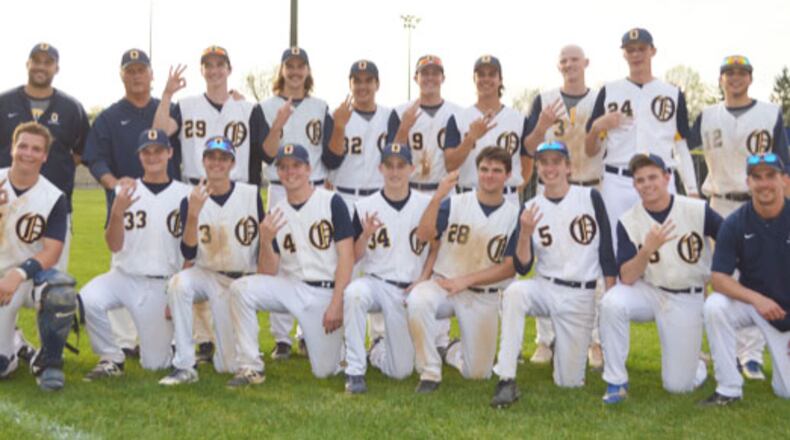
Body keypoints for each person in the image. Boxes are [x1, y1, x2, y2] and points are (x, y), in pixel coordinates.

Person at [490, 141, 616, 408]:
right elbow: (523, 266)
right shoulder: (530, 207)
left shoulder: (589, 197)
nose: (550, 168)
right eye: (544, 162)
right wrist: (525, 233)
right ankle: (506, 378)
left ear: (568, 167)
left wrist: (611, 292)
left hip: (580, 294)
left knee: (569, 382)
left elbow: (606, 250)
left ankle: (563, 346)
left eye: (556, 162)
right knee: (515, 292)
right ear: (537, 168)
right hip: (545, 287)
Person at [689, 55, 790, 381]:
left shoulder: (769, 113)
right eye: (729, 73)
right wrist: (689, 189)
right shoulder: (707, 116)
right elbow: (676, 146)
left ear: (750, 78)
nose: (735, 78)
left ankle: (751, 356)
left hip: (761, 203)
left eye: (741, 73)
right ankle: (725, 352)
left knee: (759, 278)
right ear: (720, 79)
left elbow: (784, 165)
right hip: (719, 202)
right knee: (720, 277)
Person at [81, 48, 181, 358]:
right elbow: (95, 158)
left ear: (152, 74)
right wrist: (114, 184)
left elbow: (167, 132)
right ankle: (123, 342)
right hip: (128, 202)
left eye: (141, 70)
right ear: (122, 76)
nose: (136, 76)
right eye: (130, 70)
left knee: (171, 264)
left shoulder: (169, 108)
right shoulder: (109, 117)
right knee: (123, 263)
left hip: (165, 202)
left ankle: (174, 334)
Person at [226, 143, 353, 386]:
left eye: (296, 165)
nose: (290, 172)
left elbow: (347, 257)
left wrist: (337, 304)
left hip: (325, 293)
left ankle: (344, 349)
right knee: (241, 288)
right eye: (283, 167)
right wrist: (266, 240)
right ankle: (250, 366)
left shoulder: (332, 202)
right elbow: (266, 273)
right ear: (277, 173)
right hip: (292, 288)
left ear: (308, 169)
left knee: (326, 371)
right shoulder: (275, 212)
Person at [599, 154, 720, 404]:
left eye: (652, 177)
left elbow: (729, 239)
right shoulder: (628, 221)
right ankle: (616, 382)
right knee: (612, 302)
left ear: (667, 178)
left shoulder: (696, 209)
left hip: (686, 296)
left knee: (678, 387)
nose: (647, 184)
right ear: (634, 185)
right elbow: (627, 277)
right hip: (649, 290)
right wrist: (646, 250)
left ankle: (696, 364)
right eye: (640, 180)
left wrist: (718, 274)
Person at [407, 146, 520, 393]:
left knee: (478, 374)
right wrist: (437, 198)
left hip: (483, 294)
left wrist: (466, 281)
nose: (489, 175)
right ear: (477, 172)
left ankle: (452, 349)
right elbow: (424, 235)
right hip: (444, 284)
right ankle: (429, 372)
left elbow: (509, 269)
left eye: (497, 170)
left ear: (508, 175)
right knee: (418, 299)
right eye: (484, 169)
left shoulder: (515, 216)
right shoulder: (455, 203)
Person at [80, 129, 190, 380]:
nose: (152, 157)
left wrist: (177, 293)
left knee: (155, 365)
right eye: (146, 152)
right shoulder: (125, 190)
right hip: (123, 276)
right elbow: (113, 245)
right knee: (88, 299)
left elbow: (192, 249)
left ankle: (174, 343)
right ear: (139, 156)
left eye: (158, 151)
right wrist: (117, 212)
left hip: (161, 283)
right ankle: (111, 357)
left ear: (170, 153)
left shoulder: (185, 193)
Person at [522, 44, 604, 366]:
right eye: (564, 61)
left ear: (586, 63)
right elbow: (529, 147)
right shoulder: (543, 100)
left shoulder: (600, 98)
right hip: (551, 188)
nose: (569, 65)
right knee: (546, 260)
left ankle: (595, 341)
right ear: (559, 66)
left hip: (590, 186)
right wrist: (541, 125)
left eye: (574, 60)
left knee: (592, 266)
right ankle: (545, 341)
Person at [159, 136, 263, 386]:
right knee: (178, 284)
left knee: (227, 366)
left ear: (232, 163)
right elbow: (189, 251)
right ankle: (184, 365)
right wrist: (193, 214)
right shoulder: (192, 198)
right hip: (206, 274)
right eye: (211, 158)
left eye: (223, 158)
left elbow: (261, 246)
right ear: (203, 161)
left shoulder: (250, 195)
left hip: (238, 281)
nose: (217, 163)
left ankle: (234, 352)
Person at [259, 47, 342, 360]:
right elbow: (266, 154)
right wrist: (278, 124)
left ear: (307, 71)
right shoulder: (265, 107)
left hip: (315, 189)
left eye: (300, 66)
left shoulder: (321, 107)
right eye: (289, 66)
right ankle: (282, 338)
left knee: (318, 258)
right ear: (281, 71)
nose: (295, 71)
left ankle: (307, 333)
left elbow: (332, 156)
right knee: (282, 261)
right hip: (280, 188)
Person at [585, 28, 699, 248]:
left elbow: (681, 146)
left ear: (652, 51)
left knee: (666, 247)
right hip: (618, 180)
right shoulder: (609, 91)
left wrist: (692, 190)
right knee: (616, 246)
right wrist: (597, 127)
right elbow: (590, 150)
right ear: (624, 54)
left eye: (641, 49)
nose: (636, 54)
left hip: (660, 180)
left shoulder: (672, 93)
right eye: (630, 50)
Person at [343, 143, 435, 394]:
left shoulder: (426, 204)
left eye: (401, 166)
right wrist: (365, 235)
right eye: (389, 166)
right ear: (380, 169)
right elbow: (354, 256)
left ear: (411, 169)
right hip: (376, 282)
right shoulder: (364, 206)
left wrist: (424, 279)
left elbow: (436, 249)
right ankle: (354, 370)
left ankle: (377, 350)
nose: (395, 172)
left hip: (409, 288)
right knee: (354, 293)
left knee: (401, 371)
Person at [701, 152, 790, 406]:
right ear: (748, 183)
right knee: (715, 306)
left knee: (786, 391)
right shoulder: (735, 222)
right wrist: (758, 300)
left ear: (784, 180)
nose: (764, 183)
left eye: (770, 175)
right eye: (757, 177)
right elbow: (719, 278)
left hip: (786, 311)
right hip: (754, 304)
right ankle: (728, 388)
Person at [387, 54, 460, 354]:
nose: (429, 78)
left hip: (443, 192)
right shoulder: (400, 111)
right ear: (415, 77)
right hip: (409, 190)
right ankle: (387, 333)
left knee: (440, 262)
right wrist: (404, 128)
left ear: (442, 77)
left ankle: (440, 337)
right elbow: (390, 153)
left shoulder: (455, 113)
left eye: (435, 73)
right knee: (399, 259)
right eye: (424, 73)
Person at [0, 42, 90, 273]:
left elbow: (81, 152)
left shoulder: (72, 108)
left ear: (56, 68)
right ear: (27, 64)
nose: (41, 67)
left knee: (53, 284)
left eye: (48, 62)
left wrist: (50, 176)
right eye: (36, 61)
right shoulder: (4, 102)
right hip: (6, 205)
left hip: (53, 208)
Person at [0, 122, 76, 391]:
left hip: (30, 277)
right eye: (23, 146)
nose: (28, 153)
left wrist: (19, 273)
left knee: (60, 291)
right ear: (12, 148)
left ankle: (49, 361)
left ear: (45, 156)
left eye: (36, 149)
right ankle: (14, 346)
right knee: (1, 367)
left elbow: (52, 251)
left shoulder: (54, 197)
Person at [153, 45, 265, 186]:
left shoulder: (247, 110)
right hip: (196, 187)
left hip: (236, 188)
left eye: (220, 65)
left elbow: (259, 156)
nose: (214, 71)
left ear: (229, 70)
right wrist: (167, 94)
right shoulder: (186, 106)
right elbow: (158, 134)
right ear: (201, 71)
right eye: (208, 66)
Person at [443, 55, 530, 205]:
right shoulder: (458, 119)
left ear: (500, 80)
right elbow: (450, 165)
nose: (486, 79)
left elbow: (527, 163)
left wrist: (515, 188)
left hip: (507, 197)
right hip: (470, 196)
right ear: (474, 79)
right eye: (481, 75)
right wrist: (470, 139)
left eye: (491, 74)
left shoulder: (519, 119)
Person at [327, 60, 390, 212]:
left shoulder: (389, 117)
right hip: (344, 196)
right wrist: (339, 126)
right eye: (357, 81)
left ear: (377, 84)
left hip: (379, 197)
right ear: (350, 85)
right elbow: (329, 161)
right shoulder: (334, 116)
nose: (362, 86)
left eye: (368, 81)